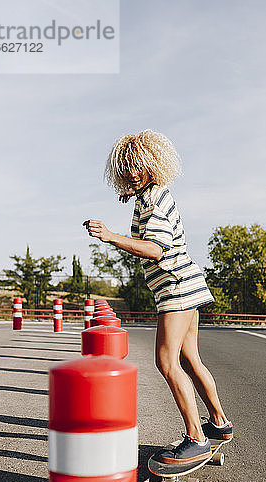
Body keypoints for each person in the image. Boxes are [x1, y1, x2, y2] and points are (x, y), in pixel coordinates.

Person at [83, 129, 232, 464]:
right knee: (190, 359)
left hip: (176, 287)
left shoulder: (152, 201)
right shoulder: (153, 195)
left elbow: (154, 249)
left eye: (137, 165)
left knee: (166, 362)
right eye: (125, 166)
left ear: (152, 164)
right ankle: (220, 424)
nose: (130, 172)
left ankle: (196, 438)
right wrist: (133, 196)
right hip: (188, 282)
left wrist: (110, 236)